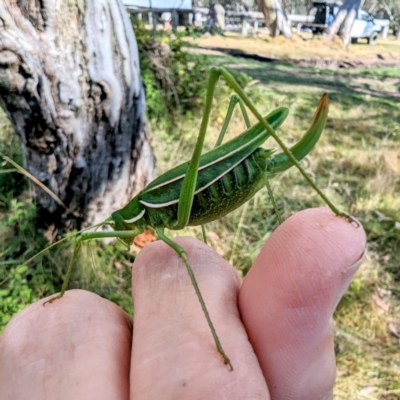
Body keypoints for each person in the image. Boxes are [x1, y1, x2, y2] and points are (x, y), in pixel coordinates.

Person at [0, 207, 366, 399]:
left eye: (119, 224)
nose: (120, 229)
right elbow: (86, 238)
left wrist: (217, 349)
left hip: (198, 191)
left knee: (183, 261)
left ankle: (218, 342)